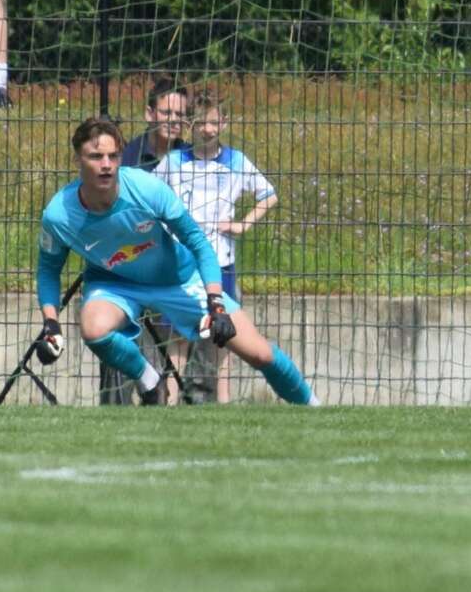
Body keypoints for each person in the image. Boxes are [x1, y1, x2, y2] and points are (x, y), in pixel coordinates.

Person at [35, 117, 317, 407]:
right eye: (95, 156)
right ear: (77, 159)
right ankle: (150, 383)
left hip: (178, 279)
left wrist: (216, 303)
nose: (106, 164)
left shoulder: (147, 189)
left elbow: (198, 243)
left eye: (113, 155)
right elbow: (48, 270)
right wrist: (51, 324)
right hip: (114, 284)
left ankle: (313, 408)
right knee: (93, 327)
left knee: (260, 354)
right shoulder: (58, 215)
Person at [154, 91, 279, 403]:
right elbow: (152, 196)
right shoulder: (173, 161)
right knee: (178, 335)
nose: (207, 129)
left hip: (220, 261)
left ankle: (223, 402)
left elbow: (269, 195)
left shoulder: (236, 161)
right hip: (180, 262)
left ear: (224, 123)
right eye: (199, 123)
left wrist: (243, 224)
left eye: (213, 123)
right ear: (190, 125)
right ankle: (171, 400)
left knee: (224, 334)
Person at [119, 78, 189, 171]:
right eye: (166, 113)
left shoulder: (190, 155)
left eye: (179, 114)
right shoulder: (128, 156)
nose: (173, 120)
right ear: (149, 114)